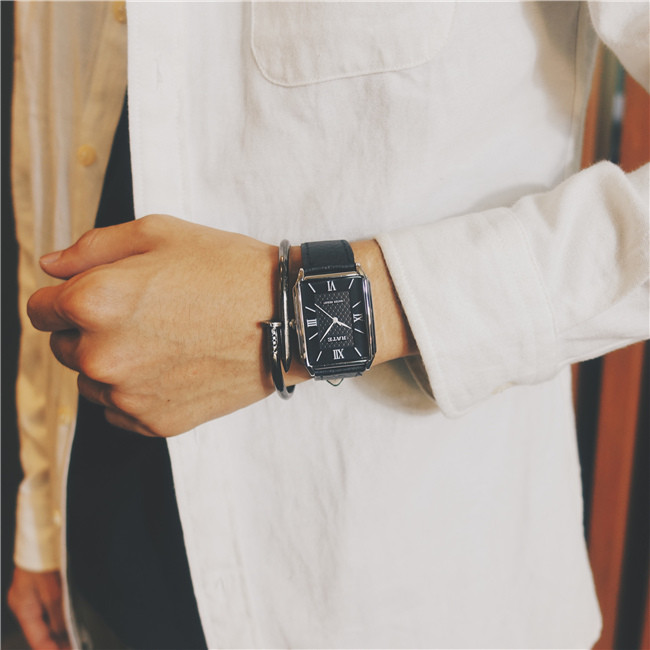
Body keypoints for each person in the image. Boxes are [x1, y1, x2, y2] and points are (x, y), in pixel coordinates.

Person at [8, 2, 649, 648]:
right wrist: (41, 515)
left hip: (394, 592)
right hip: (95, 557)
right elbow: (53, 156)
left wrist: (295, 313)